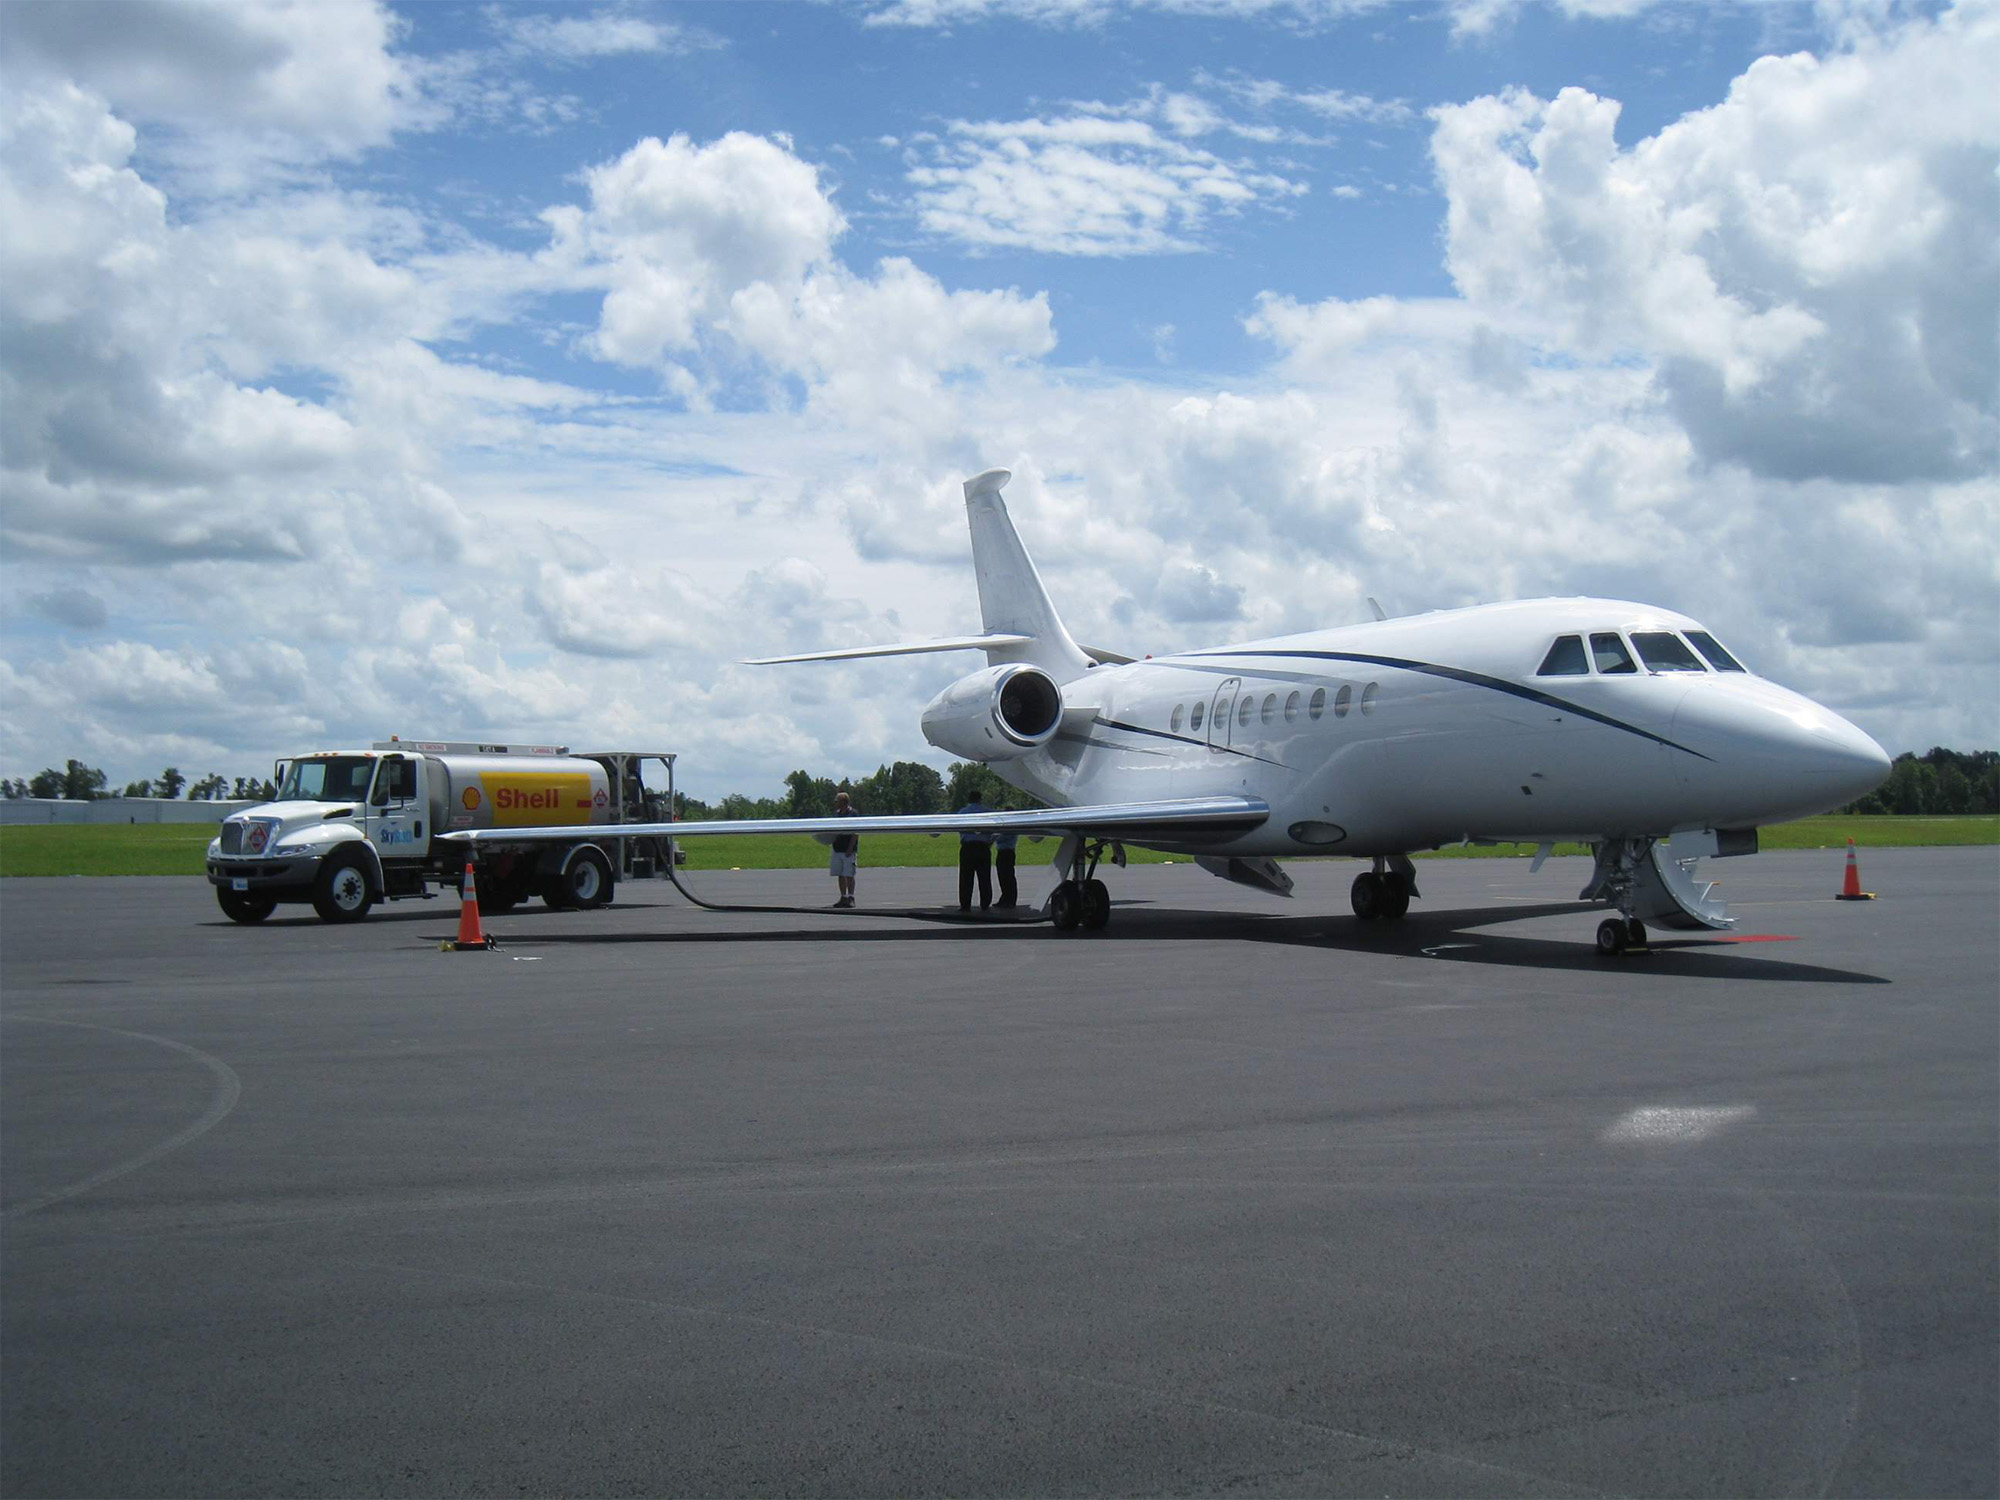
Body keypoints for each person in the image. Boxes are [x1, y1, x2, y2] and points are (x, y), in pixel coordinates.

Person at [955, 797, 992, 912]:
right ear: (981, 799)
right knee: (985, 877)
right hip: (983, 847)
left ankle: (965, 905)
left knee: (966, 877)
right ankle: (985, 904)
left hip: (968, 847)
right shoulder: (988, 812)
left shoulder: (963, 812)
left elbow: (958, 826)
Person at [828, 790, 859, 907]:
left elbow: (855, 832)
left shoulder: (853, 814)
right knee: (840, 874)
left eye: (838, 801)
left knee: (849, 874)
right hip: (837, 848)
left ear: (844, 801)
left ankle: (851, 896)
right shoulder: (837, 814)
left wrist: (851, 848)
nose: (836, 803)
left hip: (848, 849)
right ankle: (843, 897)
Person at [994, 826, 1018, 908]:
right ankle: (1005, 898)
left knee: (1008, 876)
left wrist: (994, 837)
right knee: (1002, 876)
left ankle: (1010, 900)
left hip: (1007, 851)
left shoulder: (1011, 827)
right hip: (1002, 851)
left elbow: (1002, 837)